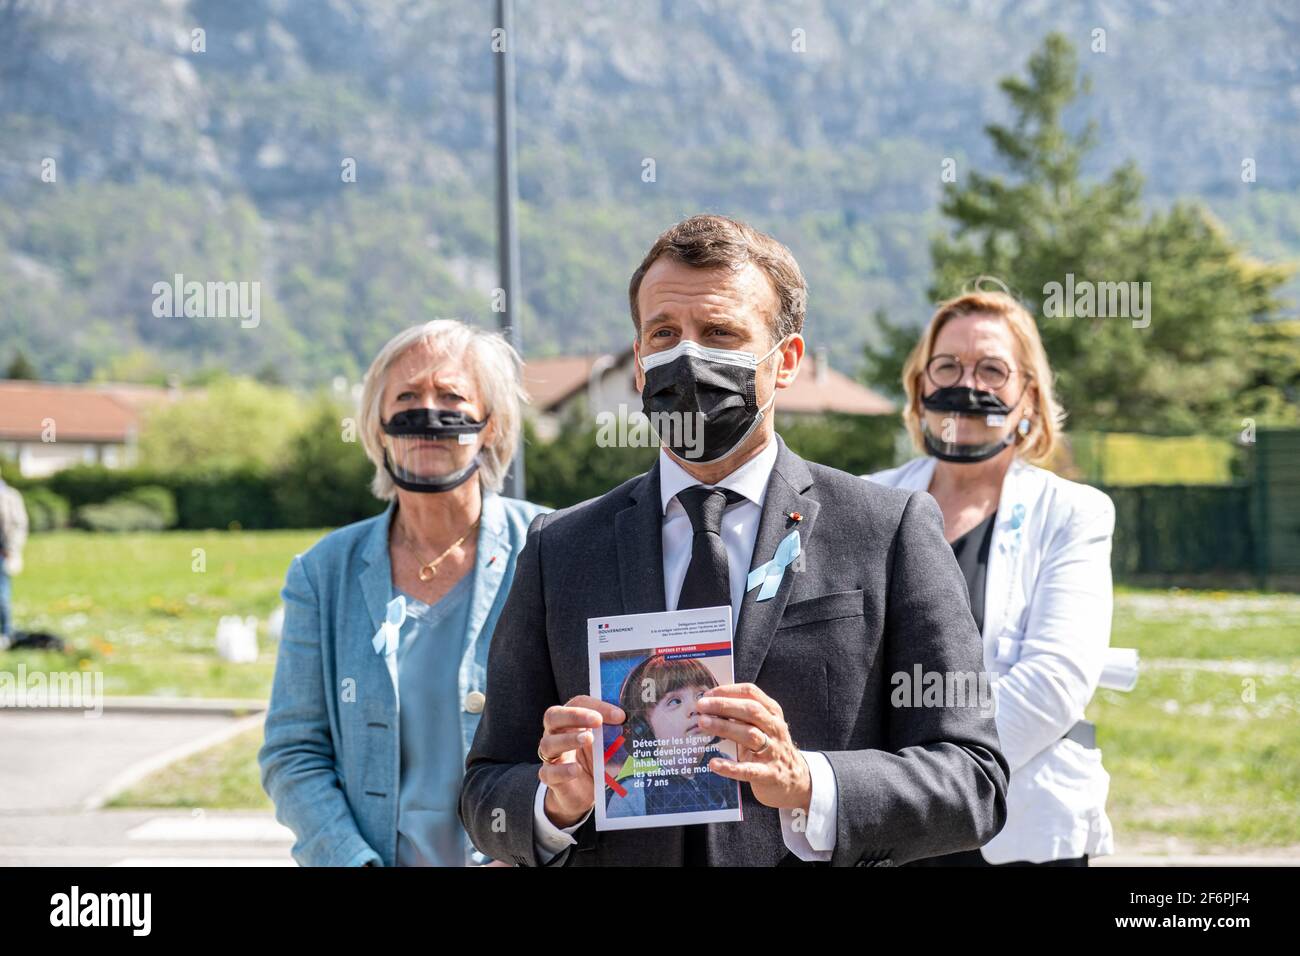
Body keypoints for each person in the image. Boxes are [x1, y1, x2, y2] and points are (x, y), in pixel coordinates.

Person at [460, 214, 1008, 866]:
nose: (686, 357)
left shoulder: (888, 532)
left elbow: (975, 781)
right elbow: (485, 789)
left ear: (787, 363)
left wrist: (809, 782)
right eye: (664, 333)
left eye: (720, 333)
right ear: (638, 364)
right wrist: (555, 804)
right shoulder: (560, 548)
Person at [259, 319, 548, 866]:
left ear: (490, 424)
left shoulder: (552, 551)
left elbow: (597, 729)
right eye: (408, 396)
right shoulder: (322, 574)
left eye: (452, 395)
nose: (428, 412)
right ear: (380, 424)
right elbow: (293, 752)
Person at [867, 286, 1116, 866]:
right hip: (885, 824)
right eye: (947, 365)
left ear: (1029, 395)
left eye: (992, 370)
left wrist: (932, 771)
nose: (967, 384)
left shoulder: (1072, 513)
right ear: (920, 386)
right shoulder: (867, 499)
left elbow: (1055, 681)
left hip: (1018, 828)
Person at [0, 475, 27, 649]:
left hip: (2, 552)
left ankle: (6, 632)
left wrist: (11, 549)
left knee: (1, 596)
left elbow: (18, 525)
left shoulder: (9, 496)